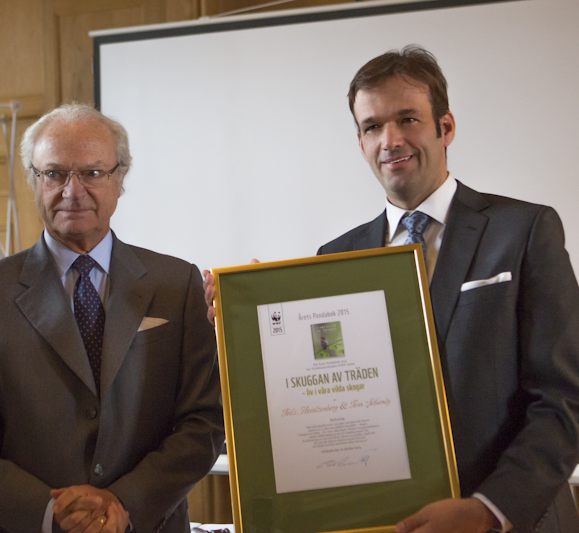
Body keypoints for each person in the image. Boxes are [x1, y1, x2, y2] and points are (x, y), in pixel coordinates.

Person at [205, 45, 579, 533]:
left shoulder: (523, 230)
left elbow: (564, 398)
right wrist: (248, 319)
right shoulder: (334, 258)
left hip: (509, 520)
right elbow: (326, 384)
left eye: (407, 119)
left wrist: (488, 509)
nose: (391, 139)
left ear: (445, 127)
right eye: (372, 126)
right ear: (359, 142)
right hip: (383, 522)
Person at [0, 103, 224, 533]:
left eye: (93, 173)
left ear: (120, 179)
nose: (73, 190)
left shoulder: (178, 283)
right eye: (55, 173)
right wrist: (50, 513)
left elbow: (205, 421)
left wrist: (124, 503)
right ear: (34, 180)